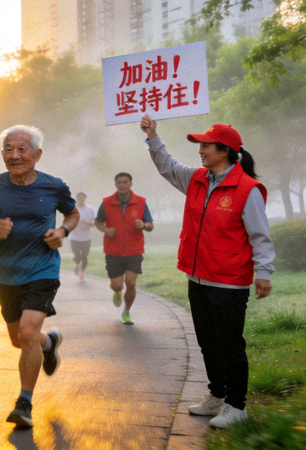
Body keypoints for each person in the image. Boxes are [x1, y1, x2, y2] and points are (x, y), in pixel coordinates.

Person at [140, 114, 274, 428]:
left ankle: (237, 406)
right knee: (207, 341)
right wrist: (152, 137)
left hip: (229, 282)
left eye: (206, 145)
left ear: (225, 150)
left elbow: (260, 235)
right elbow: (168, 166)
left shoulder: (247, 189)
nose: (200, 149)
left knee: (229, 344)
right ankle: (217, 395)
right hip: (197, 277)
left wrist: (264, 272)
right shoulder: (197, 178)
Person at [0, 125, 79, 429]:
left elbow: (72, 214)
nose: (14, 155)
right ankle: (49, 343)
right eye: (8, 149)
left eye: (21, 148)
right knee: (20, 339)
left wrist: (62, 231)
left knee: (27, 334)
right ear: (2, 154)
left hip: (42, 269)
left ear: (37, 154)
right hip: (6, 273)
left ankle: (24, 403)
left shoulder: (54, 186)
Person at [93, 173, 154, 325]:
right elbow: (98, 222)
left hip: (134, 250)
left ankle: (126, 311)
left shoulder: (141, 202)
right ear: (116, 185)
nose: (122, 185)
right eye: (119, 182)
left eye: (125, 182)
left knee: (131, 282)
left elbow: (150, 225)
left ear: (131, 184)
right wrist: (106, 230)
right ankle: (117, 291)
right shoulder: (107, 202)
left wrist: (144, 225)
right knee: (117, 285)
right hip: (113, 251)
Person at [70, 192, 96, 283]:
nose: (81, 199)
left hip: (86, 238)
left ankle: (81, 272)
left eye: (83, 197)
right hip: (74, 237)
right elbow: (68, 220)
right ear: (76, 199)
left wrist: (89, 223)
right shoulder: (73, 208)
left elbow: (95, 222)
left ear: (85, 198)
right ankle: (77, 264)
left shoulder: (90, 209)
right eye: (79, 198)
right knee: (77, 255)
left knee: (84, 256)